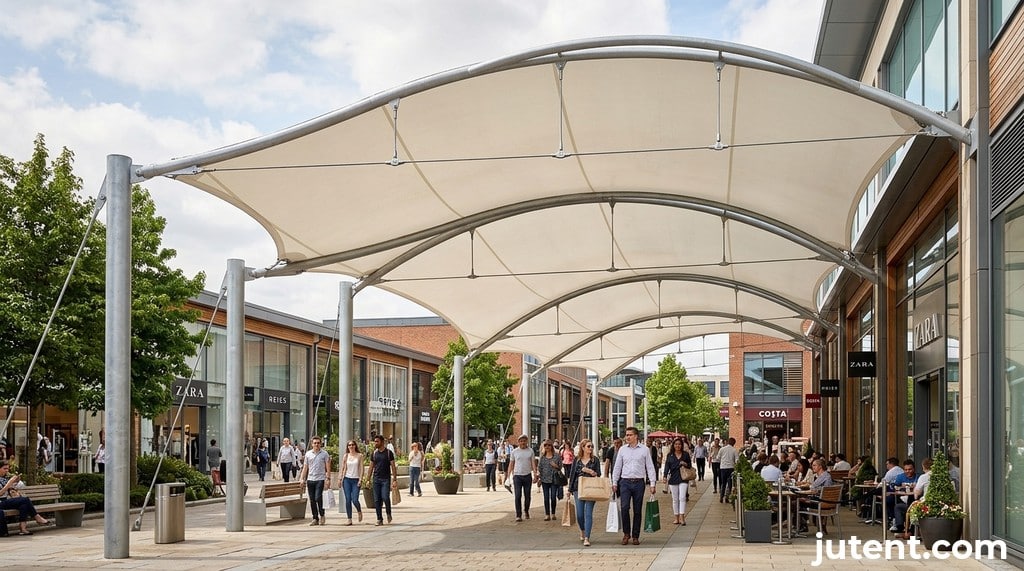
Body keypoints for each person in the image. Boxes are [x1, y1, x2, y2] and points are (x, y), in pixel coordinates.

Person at [611, 426, 657, 545]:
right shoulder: (622, 450)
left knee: (637, 510)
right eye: (626, 435)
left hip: (638, 483)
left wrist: (652, 483)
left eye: (630, 435)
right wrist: (614, 482)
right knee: (624, 507)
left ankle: (635, 535)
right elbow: (617, 467)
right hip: (625, 482)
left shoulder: (644, 450)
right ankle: (626, 533)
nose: (627, 437)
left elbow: (650, 467)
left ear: (636, 436)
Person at [0, 461, 52, 535]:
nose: (7, 471)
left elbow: (12, 490)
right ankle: (37, 517)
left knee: (23, 505)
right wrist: (9, 483)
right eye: (4, 468)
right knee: (25, 500)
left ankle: (23, 528)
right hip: (1, 502)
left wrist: (16, 482)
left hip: (5, 501)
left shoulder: (4, 478)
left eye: (8, 469)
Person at [568, 438, 601, 546]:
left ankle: (587, 537)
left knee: (588, 514)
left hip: (591, 488)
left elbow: (599, 474)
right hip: (578, 488)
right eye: (588, 446)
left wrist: (592, 472)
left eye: (592, 446)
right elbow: (572, 474)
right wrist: (569, 489)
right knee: (580, 514)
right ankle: (582, 529)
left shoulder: (595, 460)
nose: (590, 448)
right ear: (582, 447)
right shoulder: (577, 460)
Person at [299, 436, 332, 526]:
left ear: (320, 444)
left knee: (318, 497)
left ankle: (322, 514)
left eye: (318, 443)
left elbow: (328, 467)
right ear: (312, 444)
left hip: (320, 479)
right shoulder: (308, 454)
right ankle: (315, 518)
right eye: (315, 443)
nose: (316, 444)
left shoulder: (324, 454)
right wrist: (302, 478)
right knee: (312, 500)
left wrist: (328, 478)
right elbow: (305, 467)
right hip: (310, 479)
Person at [506, 434, 538, 522]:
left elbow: (533, 463)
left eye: (524, 441)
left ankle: (526, 510)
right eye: (521, 441)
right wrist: (508, 476)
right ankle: (518, 514)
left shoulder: (530, 451)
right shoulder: (514, 452)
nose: (523, 443)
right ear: (518, 442)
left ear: (527, 441)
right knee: (518, 495)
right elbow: (511, 464)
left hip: (527, 475)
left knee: (527, 496)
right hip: (517, 476)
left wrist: (535, 474)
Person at [369, 435, 398, 526]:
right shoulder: (374, 453)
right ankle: (379, 519)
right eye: (375, 441)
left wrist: (394, 479)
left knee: (385, 497)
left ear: (382, 442)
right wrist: (368, 479)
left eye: (377, 441)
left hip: (385, 479)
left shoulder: (389, 453)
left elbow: (393, 466)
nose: (375, 443)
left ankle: (388, 513)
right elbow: (371, 466)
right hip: (376, 479)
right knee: (377, 500)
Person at [663, 437, 692, 525]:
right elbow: (667, 466)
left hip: (683, 478)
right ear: (673, 445)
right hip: (673, 478)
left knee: (682, 497)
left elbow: (690, 465)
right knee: (675, 499)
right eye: (676, 444)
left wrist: (685, 463)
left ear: (682, 445)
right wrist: (665, 476)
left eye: (679, 444)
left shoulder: (685, 454)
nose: (677, 446)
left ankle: (682, 517)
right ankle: (676, 517)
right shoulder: (670, 455)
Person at [340, 440, 364, 525]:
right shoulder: (346, 456)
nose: (351, 446)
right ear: (347, 447)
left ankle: (359, 511)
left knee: (355, 499)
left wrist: (360, 479)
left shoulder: (359, 456)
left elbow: (361, 468)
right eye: (349, 445)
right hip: (347, 479)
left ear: (355, 446)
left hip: (356, 479)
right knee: (348, 499)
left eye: (353, 445)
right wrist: (340, 478)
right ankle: (349, 518)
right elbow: (343, 468)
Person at [538, 440, 562, 521]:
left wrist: (556, 466)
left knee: (553, 497)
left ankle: (553, 513)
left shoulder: (557, 456)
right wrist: (539, 478)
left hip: (554, 479)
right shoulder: (542, 457)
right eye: (545, 445)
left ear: (552, 446)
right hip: (544, 480)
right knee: (546, 497)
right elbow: (540, 468)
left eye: (549, 445)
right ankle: (547, 514)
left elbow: (560, 467)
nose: (547, 447)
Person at [718, 437, 739, 503]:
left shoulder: (722, 449)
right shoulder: (734, 450)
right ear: (734, 443)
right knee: (730, 484)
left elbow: (718, 458)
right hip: (731, 468)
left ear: (728, 442)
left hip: (723, 468)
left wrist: (722, 461)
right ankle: (727, 497)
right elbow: (737, 460)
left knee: (723, 483)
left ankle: (721, 497)